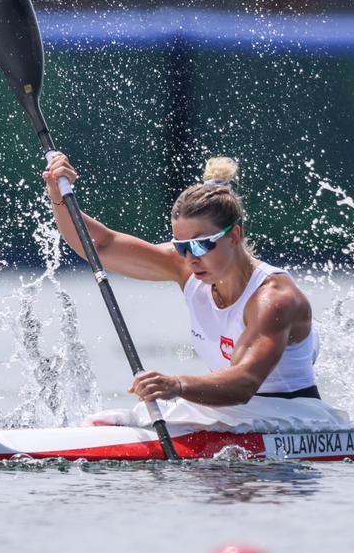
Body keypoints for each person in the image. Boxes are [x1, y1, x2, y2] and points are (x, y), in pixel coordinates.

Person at [43, 154, 320, 406]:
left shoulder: (274, 298)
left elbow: (244, 382)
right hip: (233, 415)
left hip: (295, 418)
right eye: (180, 246)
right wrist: (59, 196)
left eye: (200, 245)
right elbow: (101, 246)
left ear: (234, 236)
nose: (190, 258)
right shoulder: (186, 267)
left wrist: (177, 385)